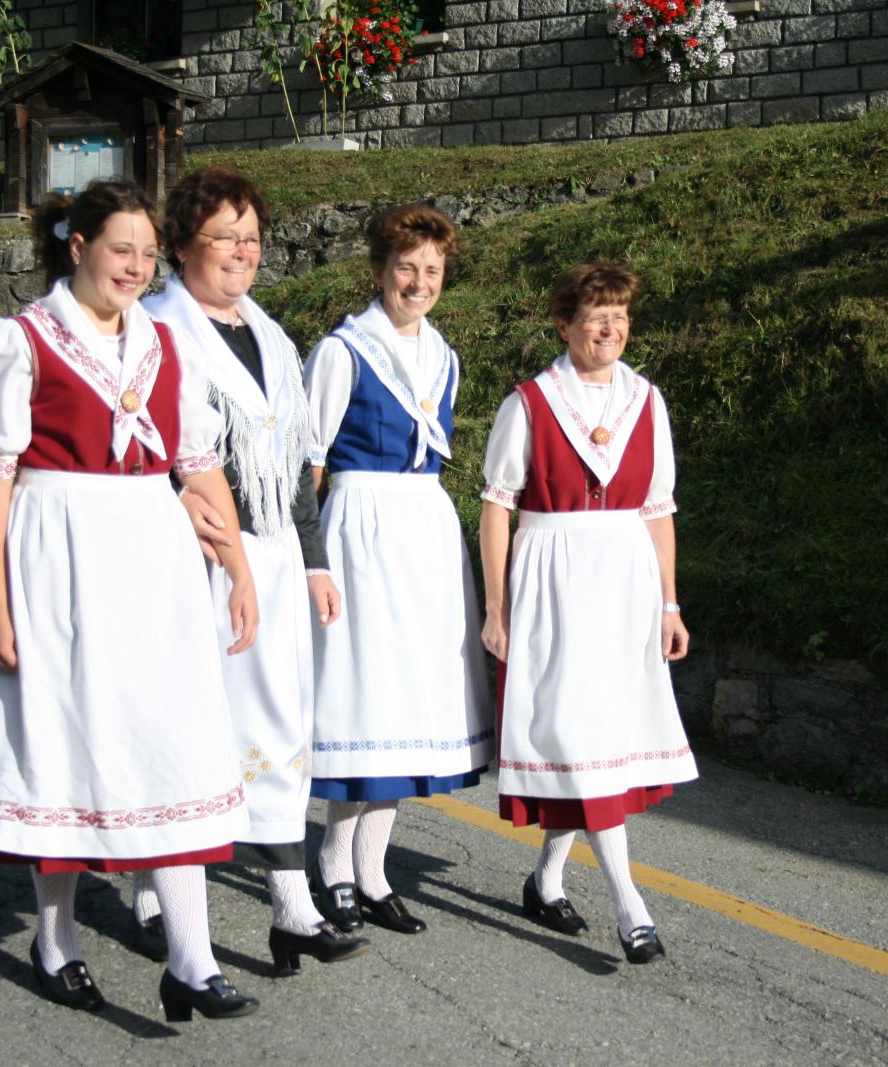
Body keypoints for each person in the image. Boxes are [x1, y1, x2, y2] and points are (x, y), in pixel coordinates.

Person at [0, 178, 262, 1021]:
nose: (135, 266)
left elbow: (198, 465)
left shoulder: (169, 343)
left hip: (154, 562)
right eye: (120, 249)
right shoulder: (17, 341)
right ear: (77, 244)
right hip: (56, 554)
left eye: (148, 254)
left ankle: (191, 958)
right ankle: (56, 939)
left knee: (172, 738)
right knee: (62, 740)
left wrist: (238, 568)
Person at [140, 165, 369, 976]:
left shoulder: (268, 333)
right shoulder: (160, 330)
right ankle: (148, 883)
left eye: (250, 238)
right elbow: (166, 460)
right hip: (197, 559)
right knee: (190, 722)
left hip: (271, 555)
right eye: (222, 238)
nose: (240, 253)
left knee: (278, 725)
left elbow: (297, 456)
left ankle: (290, 904)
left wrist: (311, 562)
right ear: (180, 245)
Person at [477, 262, 698, 965]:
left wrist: (669, 601)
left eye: (620, 315)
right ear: (564, 325)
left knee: (597, 739)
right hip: (552, 579)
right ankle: (630, 906)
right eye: (595, 315)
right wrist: (496, 605)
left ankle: (546, 879)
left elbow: (659, 510)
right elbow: (496, 505)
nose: (610, 328)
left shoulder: (647, 400)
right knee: (576, 733)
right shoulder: (530, 403)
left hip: (625, 580)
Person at [302, 202, 494, 936]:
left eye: (432, 270)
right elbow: (309, 464)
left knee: (409, 702)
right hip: (359, 526)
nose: (418, 282)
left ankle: (374, 868)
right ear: (380, 269)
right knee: (365, 695)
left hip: (423, 531)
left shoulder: (444, 354)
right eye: (406, 267)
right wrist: (308, 558)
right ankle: (333, 859)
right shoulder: (342, 352)